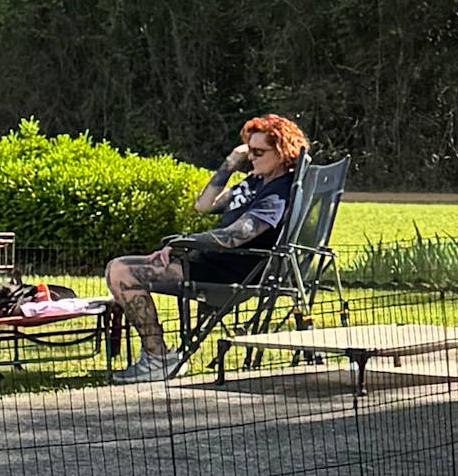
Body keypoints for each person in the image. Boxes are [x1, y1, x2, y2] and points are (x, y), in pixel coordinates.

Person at [109, 116, 311, 374]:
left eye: (259, 152)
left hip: (231, 272)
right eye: (249, 151)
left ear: (282, 153)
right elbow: (204, 206)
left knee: (121, 271)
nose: (252, 158)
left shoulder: (277, 193)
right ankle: (159, 358)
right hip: (210, 262)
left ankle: (158, 359)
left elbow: (235, 236)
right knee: (119, 268)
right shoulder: (255, 183)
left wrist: (184, 244)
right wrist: (229, 164)